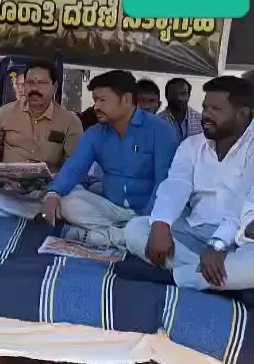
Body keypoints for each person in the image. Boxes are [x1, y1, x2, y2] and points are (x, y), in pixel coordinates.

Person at [125, 76, 254, 291]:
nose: (206, 114)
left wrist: (217, 245)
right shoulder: (191, 145)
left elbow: (244, 205)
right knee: (135, 230)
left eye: (216, 109)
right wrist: (161, 224)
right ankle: (219, 279)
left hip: (239, 239)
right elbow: (176, 185)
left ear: (242, 113)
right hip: (195, 233)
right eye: (205, 107)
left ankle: (179, 277)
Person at [43, 70, 178, 249]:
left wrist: (149, 221)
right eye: (95, 100)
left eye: (102, 100)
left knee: (166, 224)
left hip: (148, 212)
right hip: (110, 210)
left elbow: (164, 183)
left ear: (126, 99)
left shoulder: (161, 130)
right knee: (66, 200)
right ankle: (121, 236)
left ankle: (102, 236)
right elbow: (75, 168)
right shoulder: (95, 133)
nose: (96, 107)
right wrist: (53, 193)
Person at [0, 60, 83, 219]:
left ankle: (20, 210)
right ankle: (36, 213)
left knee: (75, 197)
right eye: (30, 82)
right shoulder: (6, 112)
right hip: (10, 186)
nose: (35, 89)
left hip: (48, 189)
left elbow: (74, 163)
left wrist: (54, 182)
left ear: (54, 87)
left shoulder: (70, 121)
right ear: (24, 85)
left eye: (42, 83)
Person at [158, 77, 203, 143]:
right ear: (166, 96)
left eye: (183, 93)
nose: (179, 98)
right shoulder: (158, 121)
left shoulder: (200, 120)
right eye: (174, 94)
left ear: (189, 96)